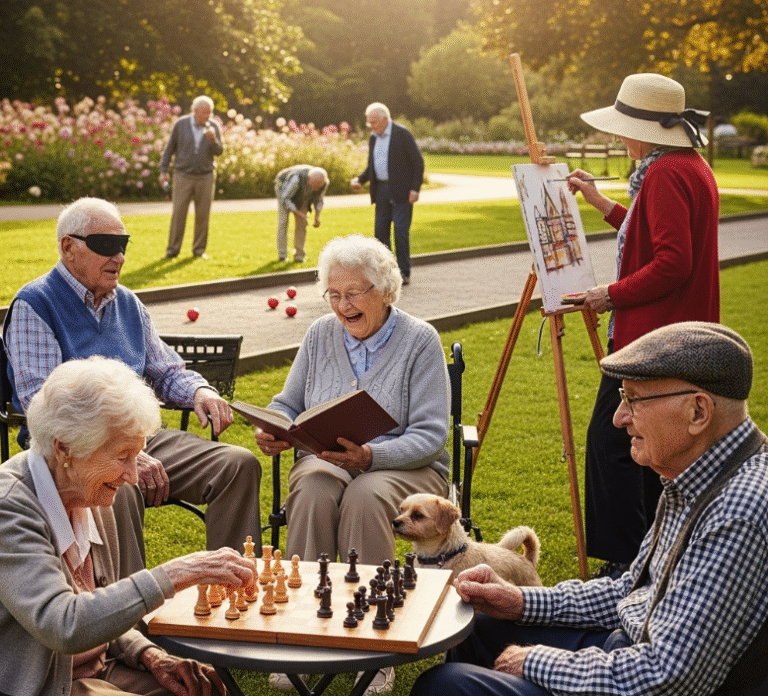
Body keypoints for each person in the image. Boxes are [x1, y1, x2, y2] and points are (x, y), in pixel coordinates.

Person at [411, 321, 768, 696]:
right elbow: (632, 591)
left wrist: (534, 660)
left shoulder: (737, 512)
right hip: (627, 646)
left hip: (645, 675)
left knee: (444, 686)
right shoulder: (698, 474)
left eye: (634, 400)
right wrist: (519, 601)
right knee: (478, 628)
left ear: (698, 412)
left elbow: (667, 675)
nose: (619, 417)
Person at [2, 197, 262, 578]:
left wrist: (199, 392)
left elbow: (166, 369)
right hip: (74, 452)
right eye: (105, 246)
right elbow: (40, 400)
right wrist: (123, 459)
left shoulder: (128, 303)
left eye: (123, 245)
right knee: (116, 487)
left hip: (139, 440)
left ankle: (236, 587)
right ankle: (130, 616)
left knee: (237, 465)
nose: (119, 257)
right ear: (68, 247)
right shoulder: (35, 304)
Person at [255, 235, 449, 694]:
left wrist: (371, 456)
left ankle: (375, 644)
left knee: (365, 496)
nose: (343, 305)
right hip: (327, 458)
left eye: (354, 293)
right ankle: (300, 635)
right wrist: (276, 427)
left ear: (384, 290)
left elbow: (430, 434)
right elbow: (288, 401)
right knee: (314, 489)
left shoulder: (421, 341)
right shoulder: (321, 333)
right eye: (334, 294)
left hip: (406, 466)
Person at [0, 355, 260, 696]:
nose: (133, 476)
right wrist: (177, 573)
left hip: (100, 669)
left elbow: (99, 608)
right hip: (46, 686)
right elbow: (64, 624)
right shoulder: (9, 507)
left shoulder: (86, 490)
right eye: (123, 457)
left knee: (203, 688)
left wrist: (150, 654)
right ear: (64, 449)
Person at [566, 72, 719, 577]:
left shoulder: (664, 173)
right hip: (673, 334)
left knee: (611, 444)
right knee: (660, 446)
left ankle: (625, 561)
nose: (618, 137)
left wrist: (608, 294)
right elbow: (650, 235)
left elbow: (673, 261)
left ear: (648, 130)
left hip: (654, 339)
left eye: (624, 127)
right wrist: (600, 202)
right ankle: (657, 550)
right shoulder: (685, 165)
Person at [350, 103, 424, 284]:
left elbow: (418, 162)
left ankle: (404, 272)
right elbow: (372, 167)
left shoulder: (402, 134)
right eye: (369, 123)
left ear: (385, 119)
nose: (372, 126)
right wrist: (360, 179)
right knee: (380, 233)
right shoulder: (374, 138)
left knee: (400, 231)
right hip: (381, 191)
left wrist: (415, 189)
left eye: (374, 122)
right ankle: (386, 272)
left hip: (402, 191)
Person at [159, 95, 223, 259]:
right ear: (195, 111)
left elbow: (219, 151)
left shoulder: (213, 126)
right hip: (183, 175)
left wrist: (213, 140)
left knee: (203, 215)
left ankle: (199, 250)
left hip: (205, 176)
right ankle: (172, 250)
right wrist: (163, 171)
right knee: (178, 214)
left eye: (209, 112)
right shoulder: (181, 125)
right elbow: (169, 149)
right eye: (203, 113)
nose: (207, 116)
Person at [274, 164, 329, 262]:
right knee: (283, 222)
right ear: (308, 179)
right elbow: (285, 198)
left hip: (303, 195)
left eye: (318, 186)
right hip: (284, 191)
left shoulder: (323, 182)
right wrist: (298, 212)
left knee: (302, 224)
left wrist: (317, 215)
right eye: (314, 185)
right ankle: (282, 255)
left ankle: (299, 256)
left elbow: (319, 199)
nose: (315, 189)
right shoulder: (296, 179)